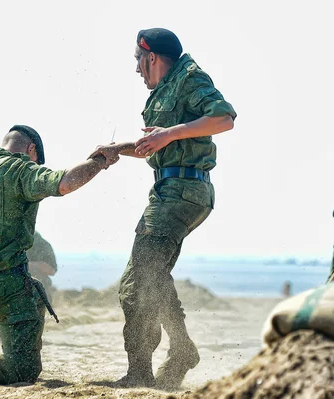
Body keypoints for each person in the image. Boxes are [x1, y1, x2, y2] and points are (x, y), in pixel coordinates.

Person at [92, 28, 236, 389]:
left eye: (138, 62)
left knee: (142, 274)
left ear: (151, 56)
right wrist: (117, 149)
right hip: (171, 188)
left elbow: (225, 118)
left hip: (184, 190)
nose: (137, 70)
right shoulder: (166, 88)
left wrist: (168, 134)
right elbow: (156, 143)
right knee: (139, 279)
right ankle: (180, 349)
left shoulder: (189, 77)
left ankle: (143, 370)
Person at [0, 124, 118, 386]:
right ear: (31, 149)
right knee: (24, 372)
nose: (35, 164)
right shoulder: (20, 169)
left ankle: (14, 352)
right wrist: (101, 160)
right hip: (5, 288)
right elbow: (65, 182)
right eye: (36, 160)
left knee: (34, 296)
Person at [0, 230, 58, 344]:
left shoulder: (40, 244)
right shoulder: (5, 243)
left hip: (32, 297)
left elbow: (51, 270)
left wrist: (27, 265)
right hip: (6, 298)